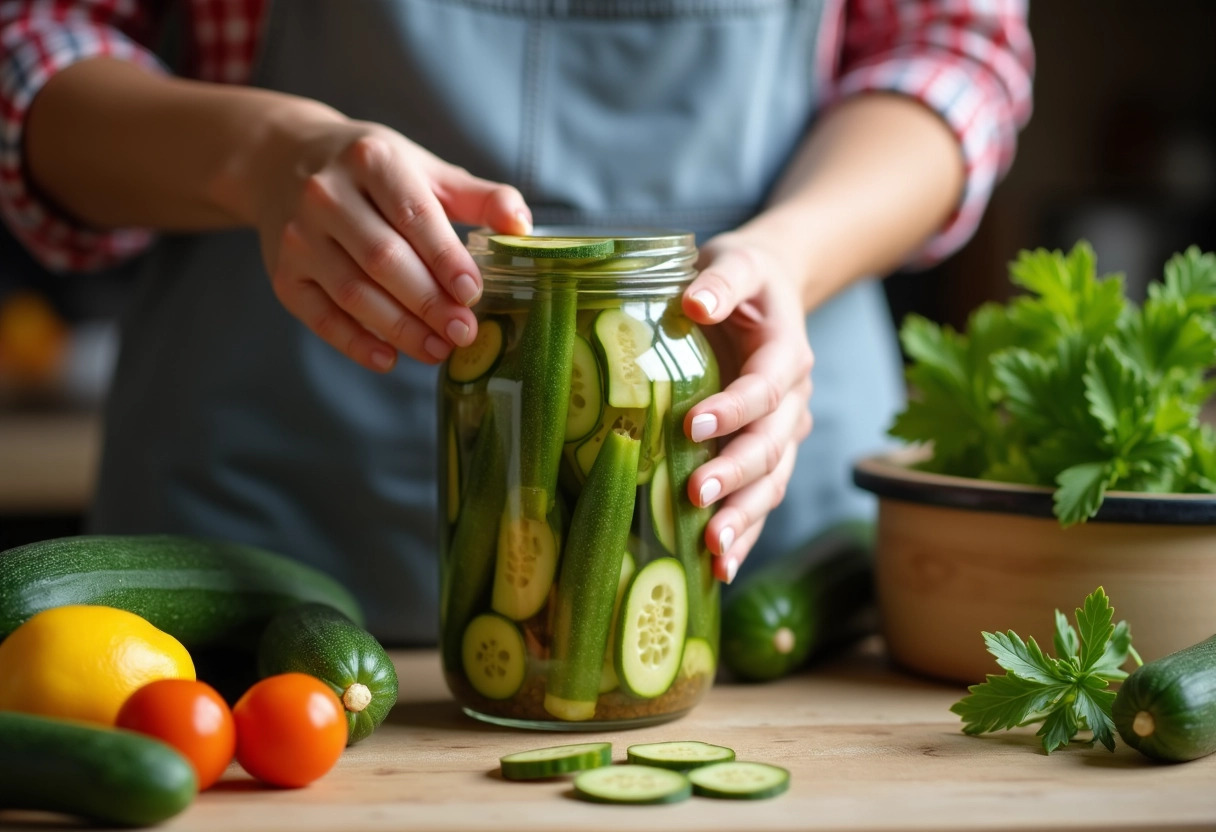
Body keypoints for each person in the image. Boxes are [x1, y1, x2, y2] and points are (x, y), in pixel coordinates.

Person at [0, 1, 1033, 644]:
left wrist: (790, 254)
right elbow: (34, 43)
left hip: (771, 552)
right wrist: (267, 151)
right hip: (266, 506)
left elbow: (950, 47)